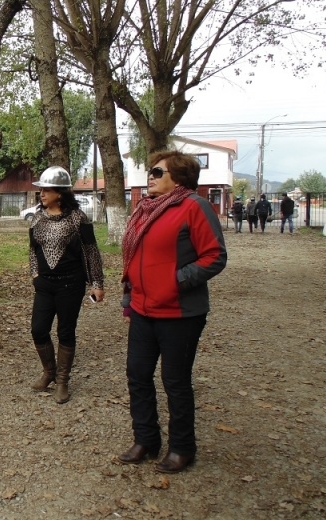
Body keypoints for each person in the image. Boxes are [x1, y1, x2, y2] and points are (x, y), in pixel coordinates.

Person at [117, 150, 227, 474]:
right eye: (150, 171)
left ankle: (182, 447)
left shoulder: (195, 206)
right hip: (142, 309)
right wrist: (132, 291)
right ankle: (146, 439)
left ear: (178, 178)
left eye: (157, 172)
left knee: (175, 381)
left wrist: (175, 280)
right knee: (137, 375)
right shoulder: (144, 209)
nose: (149, 177)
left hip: (180, 313)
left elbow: (214, 256)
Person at [28, 166, 105, 404]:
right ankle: (49, 372)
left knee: (65, 331)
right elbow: (32, 250)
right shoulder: (36, 217)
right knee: (38, 329)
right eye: (41, 189)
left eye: (46, 190)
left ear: (60, 193)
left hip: (70, 285)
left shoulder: (77, 218)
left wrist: (97, 282)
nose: (41, 194)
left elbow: (91, 251)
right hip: (45, 285)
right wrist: (34, 274)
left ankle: (62, 380)